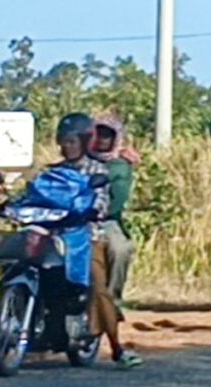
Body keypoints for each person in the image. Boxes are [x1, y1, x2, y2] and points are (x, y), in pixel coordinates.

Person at [54, 113, 141, 369]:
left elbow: (106, 201)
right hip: (53, 231)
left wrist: (92, 210)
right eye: (64, 141)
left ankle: (116, 345)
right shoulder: (56, 170)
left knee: (99, 281)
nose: (67, 146)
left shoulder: (105, 170)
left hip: (86, 233)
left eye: (72, 142)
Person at [90, 115, 137, 313]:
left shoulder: (119, 166)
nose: (101, 139)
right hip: (69, 219)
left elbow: (117, 201)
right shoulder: (78, 157)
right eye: (98, 134)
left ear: (115, 139)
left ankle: (112, 302)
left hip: (104, 221)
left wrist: (96, 213)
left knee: (120, 250)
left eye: (107, 136)